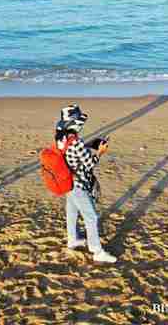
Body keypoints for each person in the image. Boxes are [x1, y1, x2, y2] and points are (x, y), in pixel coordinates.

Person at [56, 104, 117, 263]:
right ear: (75, 124)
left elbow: (73, 154)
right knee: (91, 217)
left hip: (67, 182)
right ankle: (97, 251)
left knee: (72, 213)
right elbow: (90, 163)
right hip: (79, 185)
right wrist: (100, 152)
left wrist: (88, 145)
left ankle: (73, 240)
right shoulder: (76, 142)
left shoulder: (61, 139)